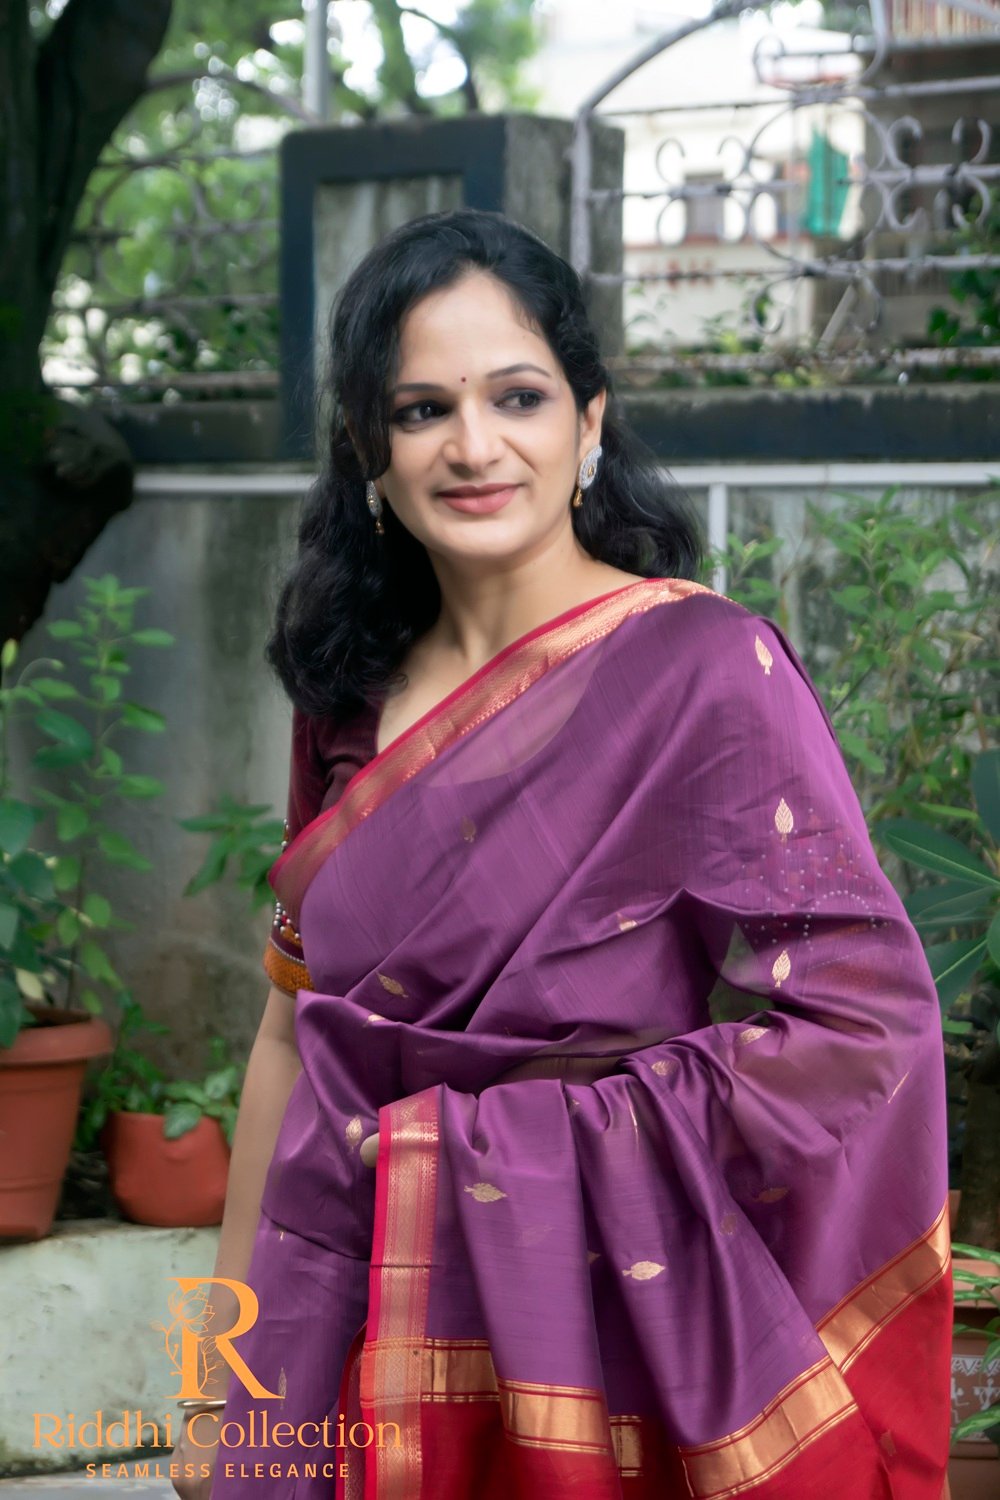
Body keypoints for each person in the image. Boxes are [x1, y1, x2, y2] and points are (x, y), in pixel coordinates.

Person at [171, 208, 951, 1500]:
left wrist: (513, 1144)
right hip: (344, 1307)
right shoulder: (348, 696)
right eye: (422, 410)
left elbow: (863, 1027)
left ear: (589, 423)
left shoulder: (701, 673)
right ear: (370, 451)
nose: (474, 446)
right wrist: (223, 1382)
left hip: (602, 1323)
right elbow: (288, 1036)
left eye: (518, 397)